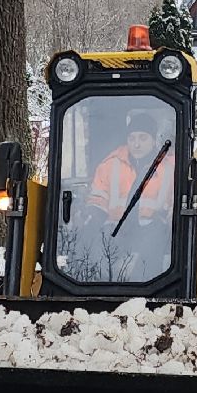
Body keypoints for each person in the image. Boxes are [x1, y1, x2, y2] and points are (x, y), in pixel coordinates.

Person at [66, 108, 173, 281]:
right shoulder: (111, 165)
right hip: (116, 228)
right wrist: (92, 218)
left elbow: (177, 201)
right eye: (132, 138)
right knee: (93, 245)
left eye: (143, 138)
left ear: (154, 140)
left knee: (152, 244)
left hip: (154, 230)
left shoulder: (170, 168)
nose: (136, 144)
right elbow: (98, 199)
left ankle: (148, 293)